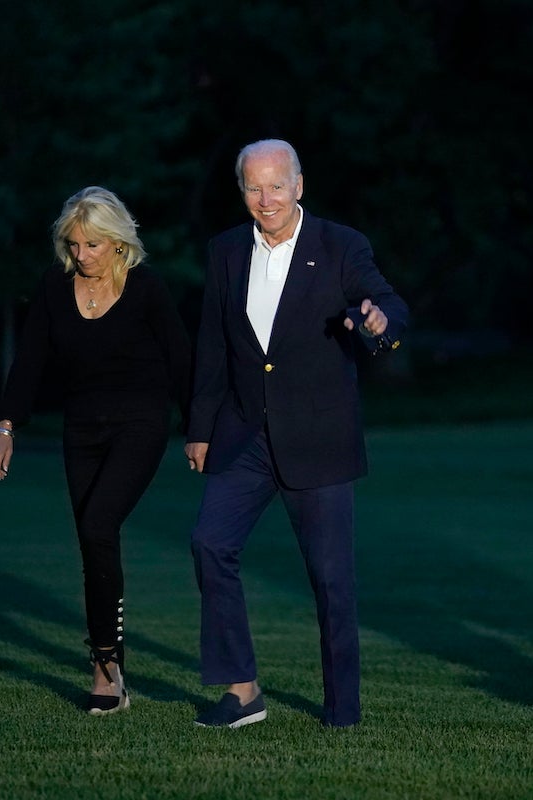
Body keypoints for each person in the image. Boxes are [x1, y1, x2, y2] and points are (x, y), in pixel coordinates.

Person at [185, 138, 408, 729]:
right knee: (210, 543)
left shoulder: (340, 245)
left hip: (318, 437)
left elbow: (384, 302)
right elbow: (213, 343)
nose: (266, 199)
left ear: (299, 185)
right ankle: (242, 691)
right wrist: (199, 427)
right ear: (243, 192)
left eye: (276, 186)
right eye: (254, 188)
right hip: (243, 436)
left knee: (331, 581)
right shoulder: (226, 251)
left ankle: (342, 710)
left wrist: (379, 324)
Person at [0, 186, 192, 715]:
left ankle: (103, 664)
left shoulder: (147, 289)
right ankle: (113, 666)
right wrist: (6, 425)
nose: (82, 256)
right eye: (74, 245)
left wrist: (198, 429)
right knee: (92, 542)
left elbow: (181, 361)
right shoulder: (56, 288)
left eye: (93, 245)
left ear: (119, 243)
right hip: (81, 430)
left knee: (99, 525)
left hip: (140, 425)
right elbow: (30, 360)